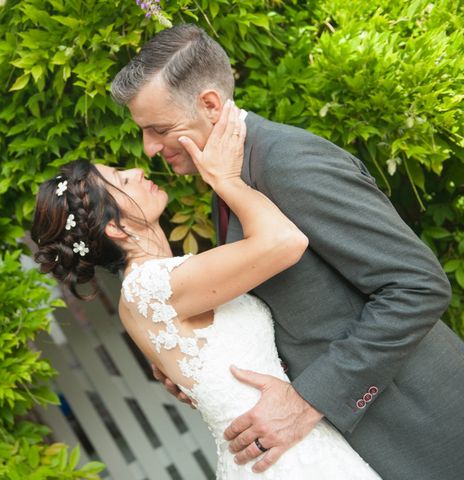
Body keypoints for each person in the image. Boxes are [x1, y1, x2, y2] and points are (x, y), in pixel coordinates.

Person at [109, 23, 464, 480]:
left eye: (159, 129)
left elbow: (417, 287)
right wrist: (205, 367)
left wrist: (308, 400)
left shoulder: (286, 161)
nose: (149, 148)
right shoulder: (230, 173)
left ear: (211, 105)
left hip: (423, 430)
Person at [31, 100, 382, 479]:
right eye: (121, 180)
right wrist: (226, 180)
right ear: (116, 229)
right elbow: (285, 241)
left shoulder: (144, 292)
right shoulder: (154, 286)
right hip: (289, 460)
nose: (136, 169)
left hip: (281, 446)